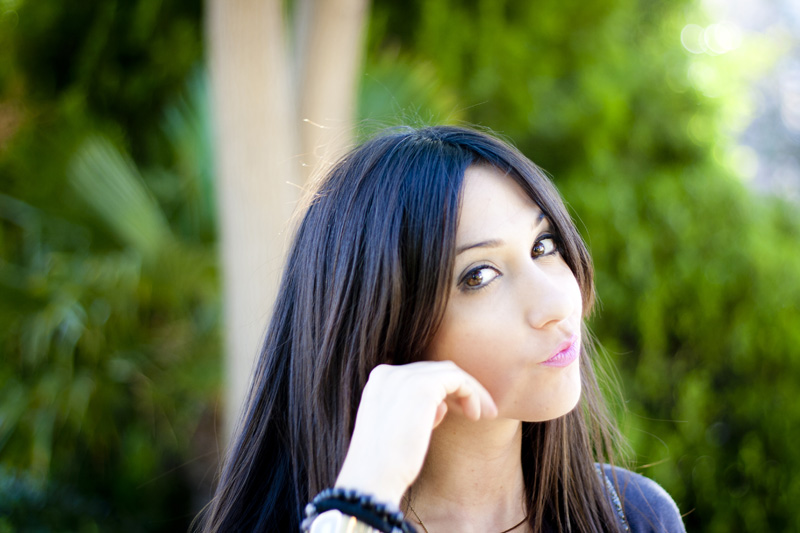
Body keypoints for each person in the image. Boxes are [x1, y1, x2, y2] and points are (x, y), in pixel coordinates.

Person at [198, 126, 686, 532]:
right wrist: (361, 501)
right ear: (386, 325)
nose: (557, 303)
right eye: (480, 275)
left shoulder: (635, 516)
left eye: (543, 246)